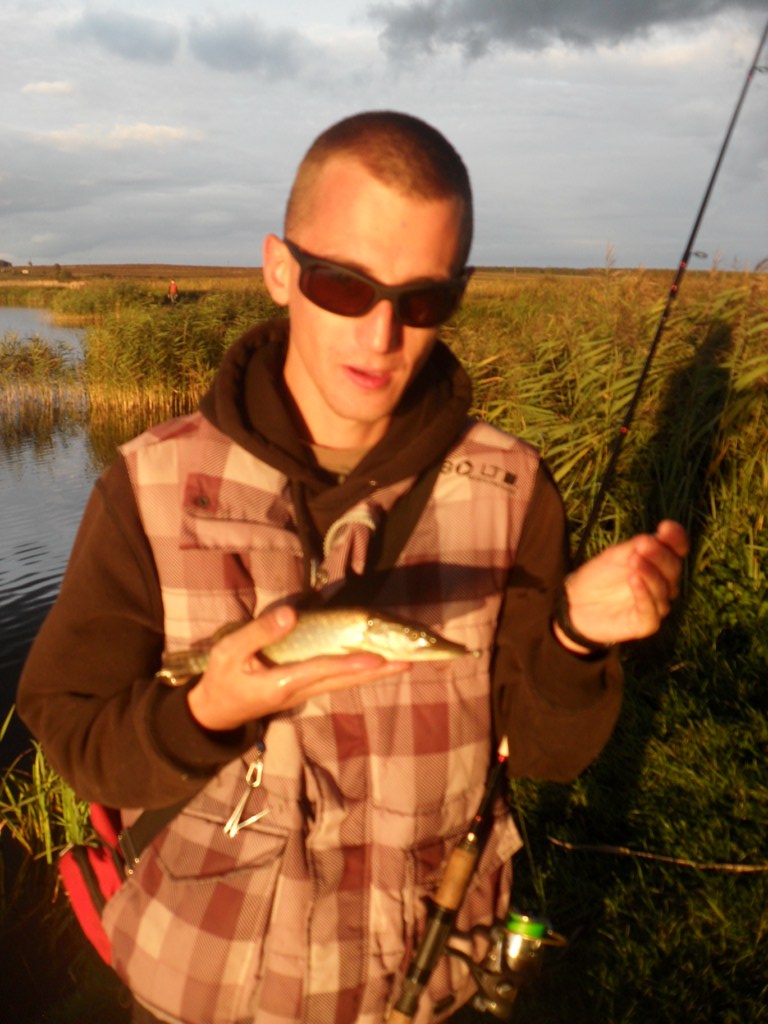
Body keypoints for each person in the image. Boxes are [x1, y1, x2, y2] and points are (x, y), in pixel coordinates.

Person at [17, 111, 688, 1024]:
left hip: (422, 989)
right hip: (196, 989)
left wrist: (575, 639)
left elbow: (544, 753)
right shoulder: (149, 484)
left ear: (459, 292)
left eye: (423, 300)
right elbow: (75, 735)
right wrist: (202, 716)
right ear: (280, 270)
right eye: (344, 284)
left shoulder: (513, 489)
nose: (381, 335)